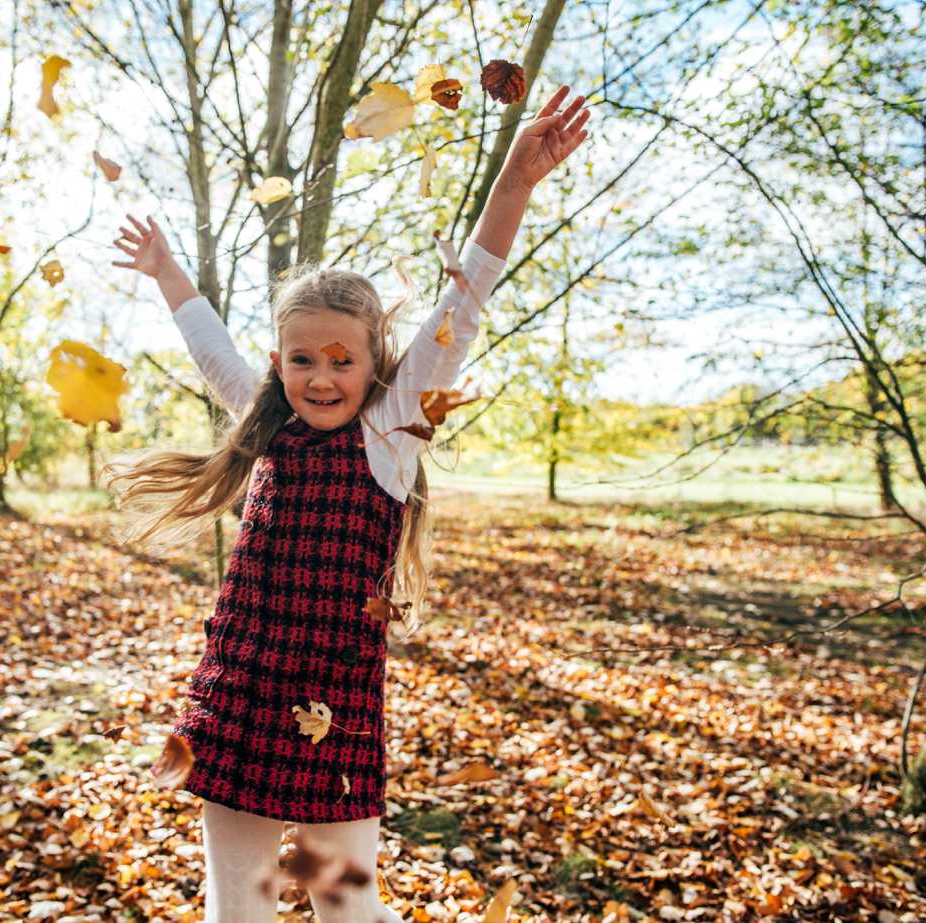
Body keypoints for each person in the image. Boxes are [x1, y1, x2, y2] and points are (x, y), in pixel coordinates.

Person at [105, 86, 591, 922]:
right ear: (279, 360)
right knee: (240, 908)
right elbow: (209, 340)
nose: (320, 377)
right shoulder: (264, 420)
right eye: (301, 359)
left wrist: (514, 181)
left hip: (339, 708)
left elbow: (465, 301)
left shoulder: (391, 432)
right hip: (239, 692)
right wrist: (166, 269)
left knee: (347, 909)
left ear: (377, 364)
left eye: (341, 359)